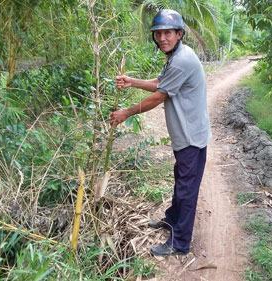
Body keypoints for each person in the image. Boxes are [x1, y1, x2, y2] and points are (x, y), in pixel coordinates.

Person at [110, 9, 211, 256]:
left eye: (168, 33)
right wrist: (132, 81)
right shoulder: (175, 57)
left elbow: (158, 97)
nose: (162, 38)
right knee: (181, 183)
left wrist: (126, 112)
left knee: (187, 190)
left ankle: (180, 243)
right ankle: (171, 220)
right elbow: (160, 83)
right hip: (185, 136)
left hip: (191, 138)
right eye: (158, 34)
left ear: (179, 34)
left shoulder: (182, 60)